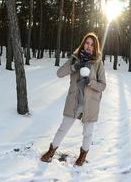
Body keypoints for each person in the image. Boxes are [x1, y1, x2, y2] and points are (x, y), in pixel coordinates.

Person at [40, 32, 106, 166]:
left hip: (90, 104)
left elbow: (103, 85)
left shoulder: (98, 63)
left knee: (88, 133)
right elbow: (59, 73)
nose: (89, 46)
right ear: (83, 44)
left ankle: (82, 156)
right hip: (74, 101)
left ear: (95, 47)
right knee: (63, 128)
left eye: (92, 45)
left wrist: (90, 82)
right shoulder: (75, 58)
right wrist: (74, 67)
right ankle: (51, 151)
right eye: (87, 43)